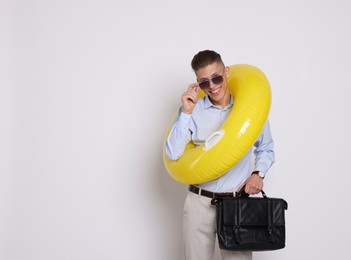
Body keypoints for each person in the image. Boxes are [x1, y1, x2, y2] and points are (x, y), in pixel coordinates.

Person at [164, 50, 275, 260]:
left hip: (235, 203)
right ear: (198, 84)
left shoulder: (248, 110)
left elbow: (266, 148)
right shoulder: (193, 112)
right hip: (199, 203)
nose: (213, 86)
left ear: (226, 72)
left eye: (216, 78)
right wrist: (186, 112)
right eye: (205, 82)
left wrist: (258, 174)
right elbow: (173, 153)